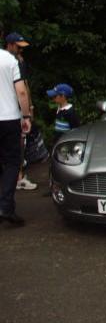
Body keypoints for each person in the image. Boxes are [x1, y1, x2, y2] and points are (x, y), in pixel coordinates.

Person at [0, 21, 32, 226]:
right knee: (12, 163)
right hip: (9, 118)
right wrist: (26, 116)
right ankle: (5, 207)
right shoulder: (9, 61)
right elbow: (21, 91)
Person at [5, 32, 37, 190]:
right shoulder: (13, 62)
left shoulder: (18, 61)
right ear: (9, 45)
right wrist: (27, 112)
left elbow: (25, 86)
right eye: (18, 47)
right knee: (18, 145)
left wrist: (30, 107)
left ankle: (18, 175)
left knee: (19, 144)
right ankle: (18, 177)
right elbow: (22, 89)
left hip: (13, 110)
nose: (20, 50)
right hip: (13, 111)